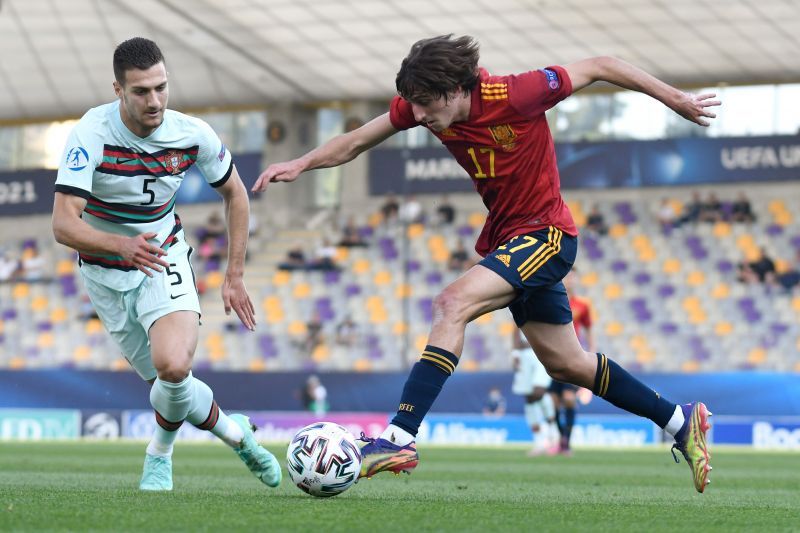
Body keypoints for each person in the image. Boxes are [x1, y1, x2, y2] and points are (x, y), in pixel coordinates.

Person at [252, 34, 718, 492]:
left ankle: (398, 438)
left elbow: (600, 64)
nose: (416, 115)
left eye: (425, 104)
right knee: (567, 364)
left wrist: (675, 100)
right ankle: (681, 421)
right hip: (511, 239)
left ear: (457, 90)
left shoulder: (518, 94)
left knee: (452, 302)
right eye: (411, 105)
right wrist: (301, 164)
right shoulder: (422, 109)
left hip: (547, 234)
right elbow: (355, 141)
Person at [51, 37, 280, 492]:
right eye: (141, 91)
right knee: (169, 384)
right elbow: (62, 225)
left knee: (173, 366)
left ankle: (159, 453)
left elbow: (236, 192)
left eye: (161, 87)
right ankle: (238, 436)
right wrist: (120, 245)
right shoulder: (90, 135)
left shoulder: (191, 134)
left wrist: (234, 275)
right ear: (117, 89)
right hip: (105, 269)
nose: (154, 100)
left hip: (163, 255)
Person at [549, 271, 595, 455]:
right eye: (567, 276)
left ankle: (566, 442)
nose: (570, 280)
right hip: (551, 355)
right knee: (553, 402)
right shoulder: (551, 300)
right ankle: (561, 439)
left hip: (572, 355)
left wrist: (591, 351)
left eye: (573, 277)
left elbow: (589, 328)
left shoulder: (582, 305)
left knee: (568, 398)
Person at [511, 329, 558, 456]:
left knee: (539, 392)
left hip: (541, 353)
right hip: (524, 355)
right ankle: (539, 440)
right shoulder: (517, 308)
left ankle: (552, 429)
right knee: (529, 397)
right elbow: (515, 329)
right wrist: (515, 353)